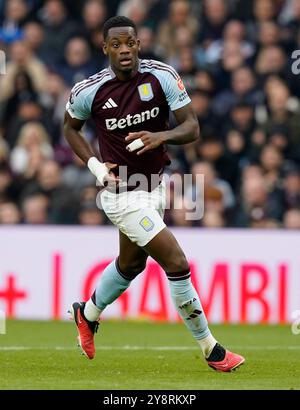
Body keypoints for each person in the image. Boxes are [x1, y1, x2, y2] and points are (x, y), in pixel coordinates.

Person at [64, 16, 245, 372]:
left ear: (139, 44)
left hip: (155, 186)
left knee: (131, 264)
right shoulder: (90, 90)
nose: (124, 50)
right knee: (176, 263)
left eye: (129, 42)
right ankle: (212, 350)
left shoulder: (161, 76)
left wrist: (159, 137)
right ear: (105, 49)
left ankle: (87, 313)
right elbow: (70, 129)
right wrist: (97, 168)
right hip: (121, 193)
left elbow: (192, 126)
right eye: (116, 45)